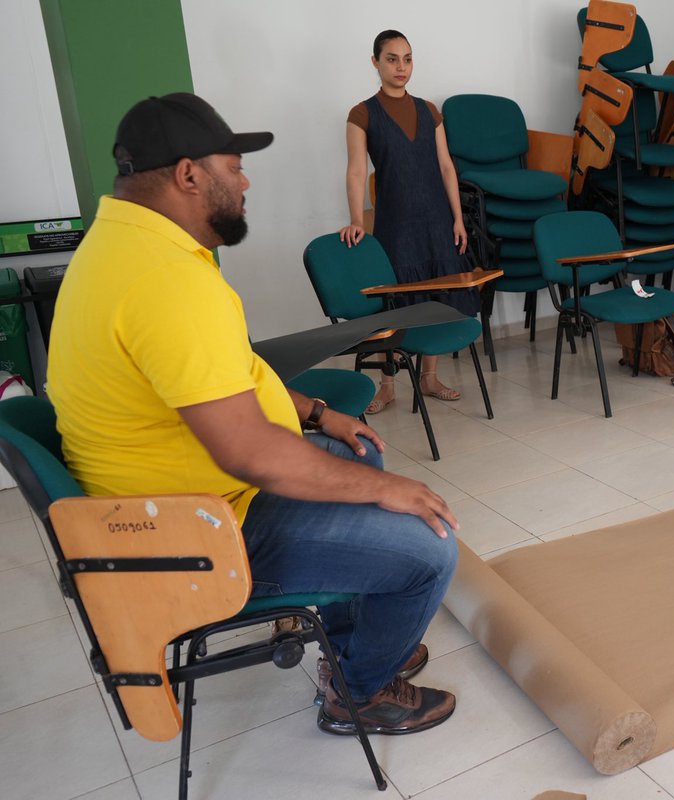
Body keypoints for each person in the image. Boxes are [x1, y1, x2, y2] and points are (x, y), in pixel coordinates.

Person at [46, 92, 461, 736]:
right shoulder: (165, 281)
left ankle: (354, 643)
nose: (245, 180)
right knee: (428, 548)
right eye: (233, 166)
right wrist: (392, 492)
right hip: (192, 534)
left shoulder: (124, 246)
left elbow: (221, 374)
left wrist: (317, 413)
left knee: (357, 451)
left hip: (181, 501)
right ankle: (358, 691)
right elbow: (249, 452)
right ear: (189, 175)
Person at [339, 29, 479, 412]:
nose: (401, 67)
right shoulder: (362, 113)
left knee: (437, 296)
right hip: (396, 224)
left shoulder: (429, 110)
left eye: (408, 59)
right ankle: (387, 383)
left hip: (437, 219)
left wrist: (457, 219)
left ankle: (430, 376)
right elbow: (354, 172)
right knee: (396, 301)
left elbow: (447, 167)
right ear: (375, 62)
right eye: (392, 59)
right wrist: (355, 220)